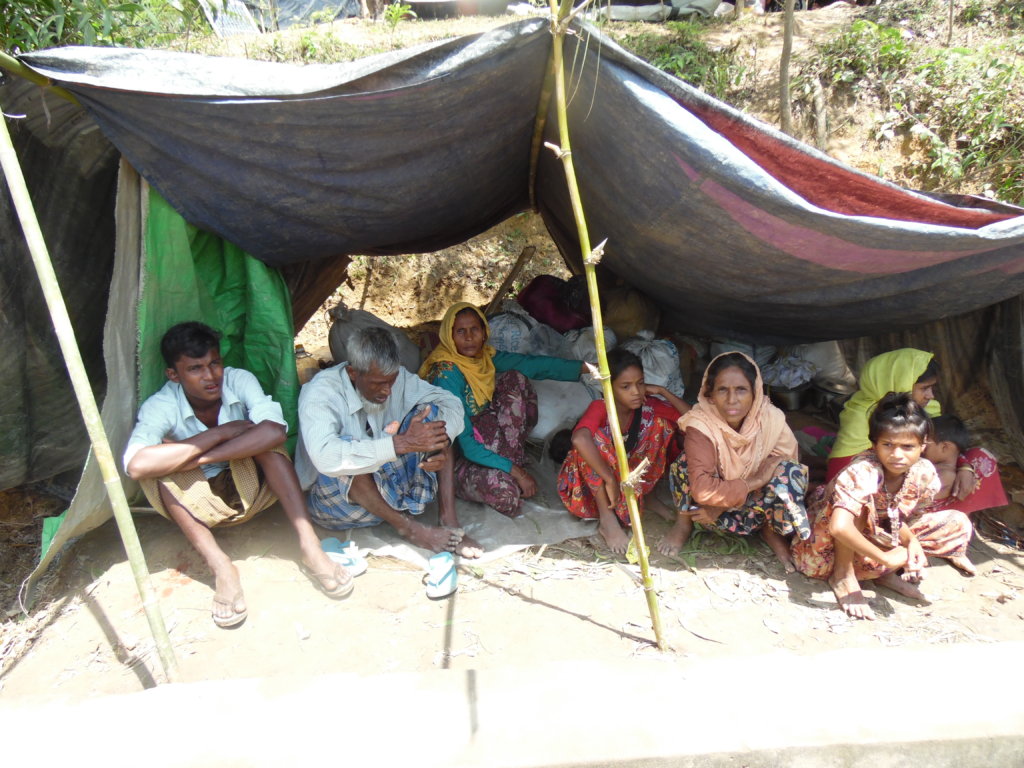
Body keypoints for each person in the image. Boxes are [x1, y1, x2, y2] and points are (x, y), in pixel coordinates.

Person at [124, 322, 350, 630]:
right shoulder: (162, 405)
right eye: (195, 369)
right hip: (200, 500)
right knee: (159, 475)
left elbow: (273, 430)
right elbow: (136, 465)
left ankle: (310, 546)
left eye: (214, 363)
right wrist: (223, 432)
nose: (210, 376)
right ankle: (222, 568)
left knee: (271, 447)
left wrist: (199, 455)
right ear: (173, 375)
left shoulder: (238, 380)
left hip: (252, 489)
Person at [296, 326, 482, 558]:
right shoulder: (321, 394)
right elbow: (326, 458)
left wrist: (437, 447)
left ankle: (449, 521)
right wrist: (400, 444)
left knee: (435, 419)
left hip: (393, 490)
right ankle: (411, 529)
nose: (387, 391)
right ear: (353, 373)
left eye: (391, 382)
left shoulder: (397, 379)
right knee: (345, 450)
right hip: (339, 504)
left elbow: (451, 404)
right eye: (377, 383)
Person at [419, 302, 584, 518]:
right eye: (461, 331)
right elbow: (466, 444)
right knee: (507, 496)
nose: (469, 337)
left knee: (516, 379)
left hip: (490, 437)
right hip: (462, 456)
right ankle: (494, 472)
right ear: (449, 336)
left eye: (474, 330)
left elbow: (531, 364)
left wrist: (583, 368)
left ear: (484, 332)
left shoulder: (484, 357)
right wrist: (517, 472)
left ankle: (508, 463)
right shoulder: (446, 374)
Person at [792, 393, 940, 620]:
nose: (897, 455)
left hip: (873, 537)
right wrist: (887, 559)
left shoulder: (924, 473)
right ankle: (843, 575)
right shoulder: (864, 471)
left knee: (956, 522)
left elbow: (898, 516)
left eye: (908, 446)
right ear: (874, 444)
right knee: (862, 507)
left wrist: (911, 541)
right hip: (823, 543)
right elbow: (839, 527)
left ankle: (879, 573)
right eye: (887, 445)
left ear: (923, 446)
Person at [657, 352, 810, 570]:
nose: (732, 400)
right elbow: (702, 491)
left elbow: (788, 461)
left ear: (755, 392)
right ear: (710, 394)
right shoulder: (700, 424)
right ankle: (683, 523)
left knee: (789, 470)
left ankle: (770, 531)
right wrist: (752, 483)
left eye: (741, 390)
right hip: (705, 512)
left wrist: (741, 493)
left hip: (752, 511)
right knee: (684, 463)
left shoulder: (770, 418)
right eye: (722, 390)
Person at [557, 349, 689, 553]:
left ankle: (647, 495)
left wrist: (663, 392)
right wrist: (609, 479)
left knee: (662, 426)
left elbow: (693, 421)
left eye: (640, 383)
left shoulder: (647, 406)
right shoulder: (600, 407)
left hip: (628, 484)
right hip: (594, 489)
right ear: (608, 387)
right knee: (591, 441)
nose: (636, 391)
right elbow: (579, 438)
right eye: (626, 386)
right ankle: (607, 521)